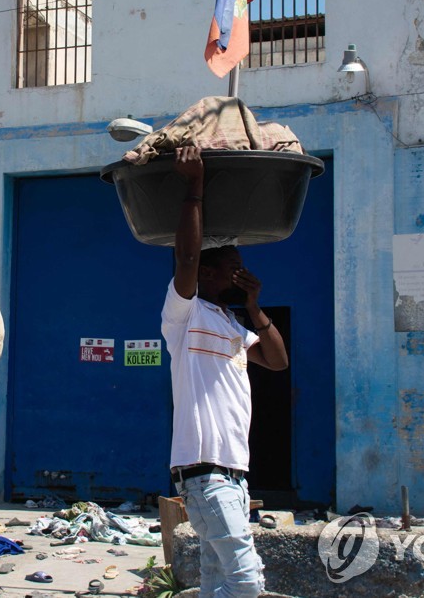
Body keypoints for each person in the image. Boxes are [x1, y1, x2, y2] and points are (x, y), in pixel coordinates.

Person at [162, 145, 290, 598]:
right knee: (246, 582)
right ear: (210, 274)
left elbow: (277, 361)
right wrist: (194, 187)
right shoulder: (185, 313)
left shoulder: (233, 325)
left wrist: (255, 307)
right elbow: (187, 259)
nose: (241, 275)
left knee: (218, 584)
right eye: (233, 269)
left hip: (235, 474)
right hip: (205, 472)